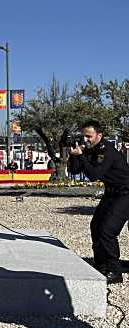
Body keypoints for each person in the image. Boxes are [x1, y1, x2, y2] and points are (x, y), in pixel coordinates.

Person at [69, 120, 129, 284]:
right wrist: (74, 155)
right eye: (83, 136)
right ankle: (101, 264)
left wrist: (81, 156)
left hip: (125, 194)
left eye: (89, 136)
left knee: (107, 230)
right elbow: (74, 170)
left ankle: (114, 271)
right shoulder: (90, 150)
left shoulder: (106, 151)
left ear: (99, 135)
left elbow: (94, 174)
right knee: (96, 226)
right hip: (111, 193)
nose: (85, 140)